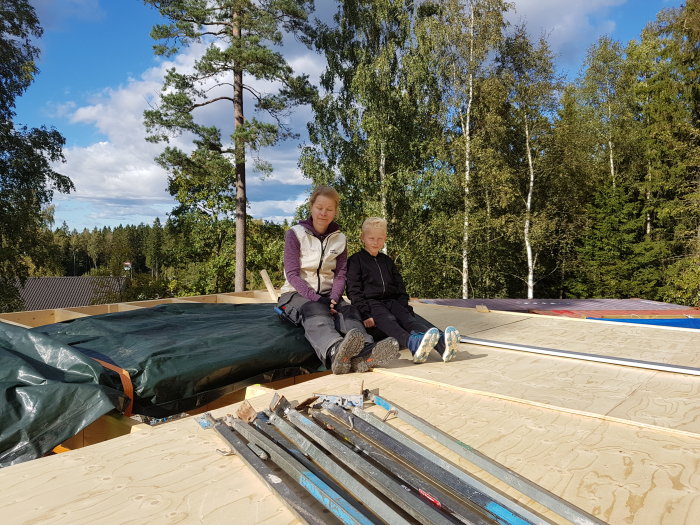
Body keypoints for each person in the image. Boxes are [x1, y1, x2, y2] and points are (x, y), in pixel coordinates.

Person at [277, 187, 400, 374]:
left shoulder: (340, 238)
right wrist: (318, 299)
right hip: (297, 293)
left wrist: (334, 298)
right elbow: (293, 274)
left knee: (349, 310)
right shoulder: (295, 234)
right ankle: (334, 351)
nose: (323, 213)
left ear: (335, 211)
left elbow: (341, 274)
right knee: (315, 309)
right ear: (311, 207)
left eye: (329, 209)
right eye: (319, 208)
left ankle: (366, 351)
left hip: (328, 293)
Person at [346, 217, 460, 363]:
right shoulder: (356, 261)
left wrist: (404, 306)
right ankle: (413, 344)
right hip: (371, 304)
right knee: (391, 321)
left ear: (385, 238)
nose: (375, 242)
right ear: (363, 238)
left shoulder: (387, 261)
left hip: (392, 301)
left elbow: (399, 286)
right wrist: (364, 313)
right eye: (371, 238)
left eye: (380, 238)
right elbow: (353, 289)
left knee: (409, 320)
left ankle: (442, 345)